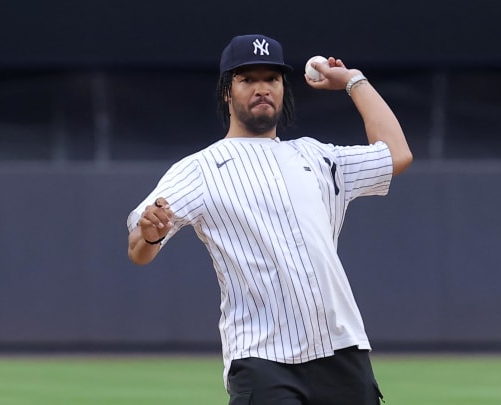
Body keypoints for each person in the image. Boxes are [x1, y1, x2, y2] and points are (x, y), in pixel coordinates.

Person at [126, 33, 412, 405]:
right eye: (248, 79)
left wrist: (354, 81)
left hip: (343, 350)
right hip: (262, 360)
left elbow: (396, 154)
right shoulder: (200, 169)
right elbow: (138, 247)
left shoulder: (317, 157)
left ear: (282, 88)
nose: (262, 88)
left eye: (271, 79)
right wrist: (149, 234)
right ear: (228, 91)